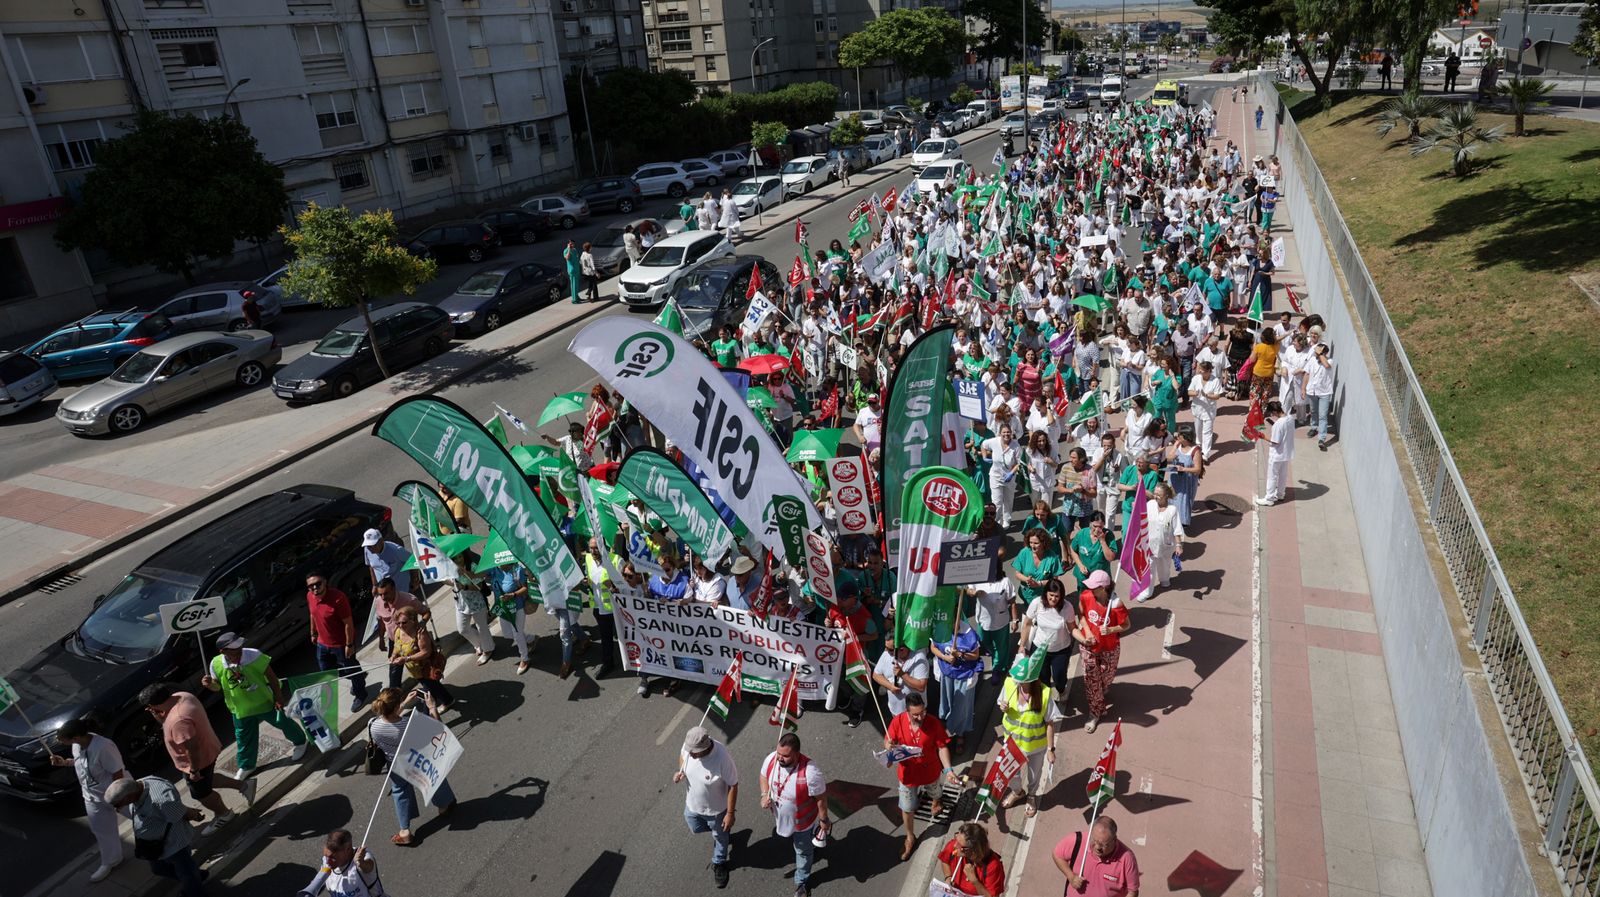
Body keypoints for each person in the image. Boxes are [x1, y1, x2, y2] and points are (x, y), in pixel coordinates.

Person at [138, 682, 253, 836]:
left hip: (197, 761)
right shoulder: (183, 696)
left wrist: (194, 770)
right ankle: (244, 786)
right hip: (209, 749)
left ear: (153, 704)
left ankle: (223, 814)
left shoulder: (177, 720)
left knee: (201, 794)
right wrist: (159, 715)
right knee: (208, 779)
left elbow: (192, 747)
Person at [198, 631, 307, 778]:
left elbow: (272, 678)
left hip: (264, 701)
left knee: (283, 722)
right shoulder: (215, 663)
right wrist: (210, 685)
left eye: (240, 646)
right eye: (234, 649)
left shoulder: (254, 655)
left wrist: (279, 697)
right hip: (240, 709)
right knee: (243, 738)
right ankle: (247, 765)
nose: (239, 650)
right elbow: (218, 687)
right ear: (222, 651)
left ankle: (300, 742)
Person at [368, 687, 456, 845]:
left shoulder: (373, 725)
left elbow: (390, 719)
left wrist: (403, 704)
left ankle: (405, 831)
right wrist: (431, 707)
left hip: (394, 763)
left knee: (400, 792)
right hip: (415, 759)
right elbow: (439, 729)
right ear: (395, 707)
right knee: (432, 778)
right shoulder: (409, 724)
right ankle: (443, 806)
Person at [50, 717, 126, 882]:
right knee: (101, 830)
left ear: (76, 737)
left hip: (119, 792)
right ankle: (111, 860)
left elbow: (117, 772)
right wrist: (64, 763)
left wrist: (118, 798)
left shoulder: (104, 746)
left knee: (142, 815)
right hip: (92, 796)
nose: (59, 741)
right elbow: (81, 763)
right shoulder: (77, 746)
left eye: (63, 739)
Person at [104, 777, 208, 897]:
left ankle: (193, 890)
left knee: (186, 872)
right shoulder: (139, 785)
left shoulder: (161, 800)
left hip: (173, 844)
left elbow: (180, 813)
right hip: (154, 846)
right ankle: (196, 877)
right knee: (158, 869)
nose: (116, 808)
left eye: (117, 804)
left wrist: (195, 814)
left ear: (129, 796)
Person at [886, 693, 958, 861]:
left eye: (923, 712)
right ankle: (910, 837)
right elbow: (889, 741)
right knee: (907, 807)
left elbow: (942, 747)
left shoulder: (933, 723)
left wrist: (948, 770)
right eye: (916, 714)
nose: (920, 716)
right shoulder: (897, 721)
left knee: (935, 792)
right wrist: (888, 747)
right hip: (908, 775)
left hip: (930, 771)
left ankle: (936, 801)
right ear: (907, 712)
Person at [993, 647, 1062, 817]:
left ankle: (1031, 796)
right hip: (1012, 744)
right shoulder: (1010, 683)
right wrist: (1002, 707)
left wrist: (1050, 750)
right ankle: (1018, 792)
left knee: (1034, 775)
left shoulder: (1044, 694)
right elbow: (1001, 701)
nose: (1017, 681)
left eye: (1021, 680)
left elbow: (1050, 724)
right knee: (1011, 775)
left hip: (1035, 747)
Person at [760, 732, 830, 897]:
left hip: (802, 825)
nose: (779, 758)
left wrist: (824, 820)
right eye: (779, 753)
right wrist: (764, 794)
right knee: (800, 848)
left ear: (797, 754)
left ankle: (801, 882)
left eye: (785, 755)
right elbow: (763, 776)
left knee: (802, 852)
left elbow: (821, 799)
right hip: (781, 818)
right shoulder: (772, 759)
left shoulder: (811, 773)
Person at [676, 726, 739, 889]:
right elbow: (683, 756)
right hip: (692, 805)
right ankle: (722, 835)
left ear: (705, 748)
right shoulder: (690, 746)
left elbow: (733, 785)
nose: (691, 753)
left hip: (717, 811)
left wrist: (730, 813)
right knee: (695, 828)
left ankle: (719, 863)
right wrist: (681, 770)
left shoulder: (722, 758)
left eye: (694, 752)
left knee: (720, 836)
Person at [306, 571, 368, 712]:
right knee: (327, 672)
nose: (314, 588)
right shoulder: (310, 596)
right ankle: (358, 676)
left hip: (341, 644)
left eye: (318, 584)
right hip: (322, 643)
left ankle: (360, 693)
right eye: (311, 586)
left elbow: (348, 623)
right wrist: (313, 632)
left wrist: (349, 644)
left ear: (325, 582)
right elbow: (312, 614)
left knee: (351, 667)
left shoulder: (338, 598)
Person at [1074, 571, 1129, 732]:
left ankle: (1100, 691)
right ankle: (1094, 712)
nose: (1090, 589)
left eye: (1094, 587)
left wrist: (1111, 629)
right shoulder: (1085, 596)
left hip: (1109, 647)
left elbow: (1127, 625)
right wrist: (1088, 632)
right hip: (1088, 646)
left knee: (1106, 678)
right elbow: (1082, 615)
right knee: (1092, 681)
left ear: (1104, 588)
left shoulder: (1116, 603)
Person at [929, 613, 983, 751]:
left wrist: (960, 654)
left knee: (961, 707)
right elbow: (933, 647)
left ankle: (958, 733)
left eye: (953, 621)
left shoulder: (969, 633)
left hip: (964, 675)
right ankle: (947, 725)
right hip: (947, 673)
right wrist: (945, 658)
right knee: (947, 702)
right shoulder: (941, 629)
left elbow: (976, 655)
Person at [1054, 816, 1140, 897]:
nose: (1098, 847)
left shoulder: (1127, 858)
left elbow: (1133, 891)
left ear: (1114, 839)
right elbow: (1057, 854)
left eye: (1103, 845)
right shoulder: (1077, 840)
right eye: (1094, 841)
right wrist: (1071, 876)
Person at [388, 606, 453, 713]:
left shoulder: (420, 633)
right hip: (415, 670)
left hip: (426, 668)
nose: (400, 625)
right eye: (398, 623)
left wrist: (406, 658)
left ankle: (427, 717)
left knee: (427, 694)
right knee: (433, 685)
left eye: (404, 622)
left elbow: (426, 652)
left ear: (413, 620)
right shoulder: (398, 632)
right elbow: (396, 646)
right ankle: (448, 700)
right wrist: (393, 655)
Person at [372, 577, 428, 687]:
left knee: (422, 673)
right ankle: (395, 701)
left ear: (394, 589)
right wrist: (381, 639)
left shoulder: (409, 600)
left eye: (386, 593)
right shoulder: (378, 602)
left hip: (413, 642)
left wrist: (423, 623)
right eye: (380, 594)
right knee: (394, 677)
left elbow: (426, 612)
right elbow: (382, 622)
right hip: (395, 643)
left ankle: (432, 693)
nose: (383, 597)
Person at [1138, 484, 1186, 601]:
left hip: (1166, 546)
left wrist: (1179, 545)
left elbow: (1177, 529)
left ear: (1166, 496)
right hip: (1149, 545)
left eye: (1159, 495)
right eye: (1155, 494)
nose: (1155, 496)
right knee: (1149, 568)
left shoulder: (1172, 510)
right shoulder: (1149, 505)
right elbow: (1141, 520)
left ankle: (1164, 579)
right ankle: (1147, 591)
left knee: (1164, 565)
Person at [306, 829, 388, 897]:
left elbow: (369, 867)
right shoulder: (327, 861)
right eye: (326, 856)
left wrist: (361, 862)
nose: (328, 862)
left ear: (348, 849)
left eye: (332, 857)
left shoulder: (363, 858)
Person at [486, 560, 534, 675]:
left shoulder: (517, 570)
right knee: (508, 634)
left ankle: (525, 659)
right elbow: (479, 575)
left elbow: (525, 588)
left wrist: (513, 595)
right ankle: (531, 639)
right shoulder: (493, 569)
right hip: (504, 609)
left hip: (517, 607)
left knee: (517, 633)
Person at [968, 576, 1018, 685]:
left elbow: (1012, 601)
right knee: (984, 642)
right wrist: (974, 592)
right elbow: (969, 590)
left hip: (1000, 622)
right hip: (983, 620)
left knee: (1001, 648)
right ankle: (994, 654)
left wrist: (1015, 620)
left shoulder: (1005, 581)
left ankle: (997, 669)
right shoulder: (978, 577)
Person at [938, 822, 1007, 896]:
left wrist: (974, 881)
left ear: (973, 850)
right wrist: (948, 877)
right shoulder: (955, 847)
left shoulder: (992, 867)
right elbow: (945, 861)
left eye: (959, 845)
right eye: (956, 838)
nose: (955, 845)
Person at [873, 634, 931, 717]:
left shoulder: (919, 659)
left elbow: (921, 686)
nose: (886, 651)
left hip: (916, 713)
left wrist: (902, 674)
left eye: (890, 649)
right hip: (896, 711)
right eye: (885, 647)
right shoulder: (886, 654)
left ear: (902, 649)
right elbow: (876, 675)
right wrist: (890, 686)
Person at [981, 423, 1023, 529]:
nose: (1006, 434)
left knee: (1008, 500)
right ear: (1000, 433)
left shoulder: (1016, 446)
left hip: (1009, 478)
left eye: (1008, 432)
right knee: (997, 502)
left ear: (1011, 433)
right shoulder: (994, 441)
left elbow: (1019, 463)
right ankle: (996, 522)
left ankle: (1007, 521)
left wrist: (1011, 473)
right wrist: (985, 456)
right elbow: (983, 445)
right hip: (995, 477)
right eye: (1004, 432)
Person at [1256, 398, 1295, 506]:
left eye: (1271, 413)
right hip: (1287, 453)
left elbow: (1275, 441)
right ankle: (1281, 494)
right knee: (1283, 474)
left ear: (1274, 412)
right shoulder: (1290, 418)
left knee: (1272, 476)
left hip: (1277, 454)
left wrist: (1263, 436)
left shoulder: (1278, 424)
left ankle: (1269, 498)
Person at [362, 528, 417, 595]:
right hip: (384, 594)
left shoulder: (396, 550)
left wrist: (415, 580)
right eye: (368, 546)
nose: (370, 548)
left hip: (402, 592)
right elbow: (371, 567)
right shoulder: (367, 550)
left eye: (373, 545)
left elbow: (412, 560)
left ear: (381, 541)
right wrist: (374, 585)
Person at [1187, 359, 1223, 459]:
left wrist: (1207, 395)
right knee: (1198, 431)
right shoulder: (1196, 378)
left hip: (1209, 411)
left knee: (1207, 432)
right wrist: (1196, 393)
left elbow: (1217, 396)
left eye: (1202, 370)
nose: (1199, 371)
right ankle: (1198, 447)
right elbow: (1189, 391)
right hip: (1197, 409)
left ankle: (1205, 454)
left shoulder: (1215, 380)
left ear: (1208, 371)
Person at [1305, 341, 1334, 449]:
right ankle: (1313, 427)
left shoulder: (1330, 361)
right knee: (1313, 411)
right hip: (1312, 391)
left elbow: (1326, 365)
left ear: (1324, 353)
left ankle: (1322, 439)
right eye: (1316, 353)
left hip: (1325, 392)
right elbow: (1307, 374)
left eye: (1319, 353)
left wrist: (1320, 354)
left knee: (1322, 415)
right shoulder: (1312, 360)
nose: (1316, 354)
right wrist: (1304, 388)